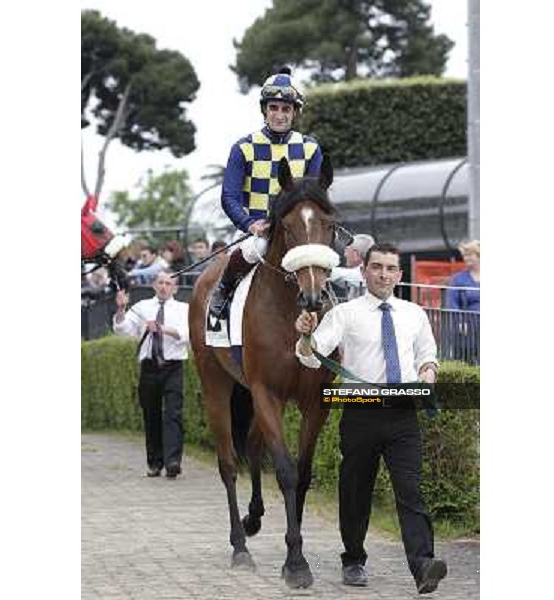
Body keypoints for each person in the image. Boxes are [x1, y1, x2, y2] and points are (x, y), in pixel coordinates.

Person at [294, 242, 447, 595]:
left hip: (403, 414)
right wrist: (305, 335)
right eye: (376, 267)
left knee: (410, 490)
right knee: (355, 492)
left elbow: (428, 355)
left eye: (390, 268)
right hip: (360, 411)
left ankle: (423, 565)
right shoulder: (345, 314)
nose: (383, 274)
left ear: (399, 274)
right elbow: (311, 357)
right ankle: (353, 559)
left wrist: (428, 373)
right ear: (364, 272)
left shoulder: (414, 313)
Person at [209, 66, 323, 318]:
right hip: (260, 231)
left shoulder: (310, 148)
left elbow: (314, 197)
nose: (279, 115)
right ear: (264, 110)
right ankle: (223, 291)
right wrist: (249, 224)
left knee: (327, 257)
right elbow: (229, 197)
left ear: (294, 112)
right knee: (252, 249)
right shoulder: (243, 148)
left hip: (297, 231)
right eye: (274, 108)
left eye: (286, 109)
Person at [113, 270, 190, 479]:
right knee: (151, 414)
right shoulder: (141, 308)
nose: (164, 286)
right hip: (149, 367)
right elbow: (122, 329)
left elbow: (187, 335)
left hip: (173, 366)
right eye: (160, 283)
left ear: (175, 288)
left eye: (168, 283)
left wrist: (163, 329)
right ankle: (155, 462)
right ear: (154, 286)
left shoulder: (184, 309)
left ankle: (173, 461)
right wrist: (120, 310)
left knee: (173, 413)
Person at [446, 240, 480, 364]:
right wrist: (460, 322)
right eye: (465, 255)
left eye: (470, 254)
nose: (466, 258)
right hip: (468, 328)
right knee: (467, 361)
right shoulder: (458, 279)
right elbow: (452, 303)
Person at [329, 233, 375, 299]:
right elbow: (342, 281)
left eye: (347, 250)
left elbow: (342, 276)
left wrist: (321, 270)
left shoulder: (368, 272)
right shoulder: (353, 279)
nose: (345, 254)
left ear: (355, 254)